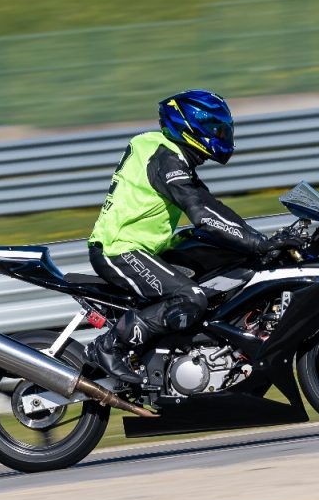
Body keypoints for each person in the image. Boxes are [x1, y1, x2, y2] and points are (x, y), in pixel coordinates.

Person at [85, 89, 300, 383]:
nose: (221, 135)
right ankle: (110, 346)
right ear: (189, 126)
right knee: (191, 297)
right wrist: (259, 243)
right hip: (119, 250)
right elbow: (202, 215)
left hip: (145, 248)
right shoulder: (166, 160)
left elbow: (213, 208)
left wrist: (262, 243)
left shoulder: (169, 154)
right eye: (215, 128)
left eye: (223, 129)